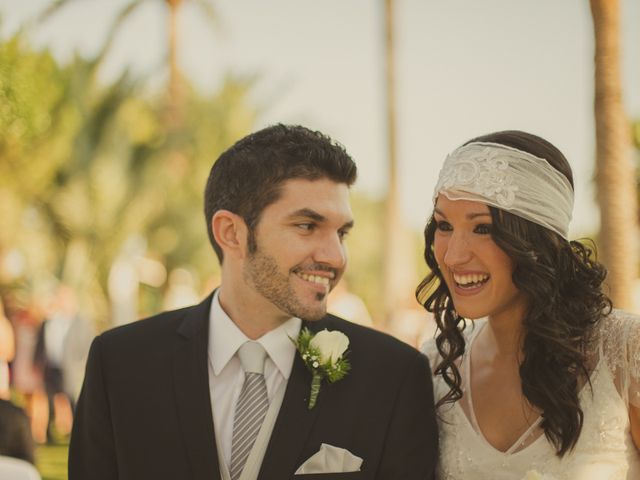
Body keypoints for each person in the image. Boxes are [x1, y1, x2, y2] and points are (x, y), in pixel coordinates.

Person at [69, 124, 438, 480]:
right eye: (307, 226)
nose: (336, 256)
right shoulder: (120, 365)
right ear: (231, 233)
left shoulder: (393, 378)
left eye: (341, 233)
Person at [419, 130, 640, 479]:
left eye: (482, 229)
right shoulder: (438, 364)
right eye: (444, 225)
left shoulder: (625, 349)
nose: (453, 255)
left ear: (537, 241)